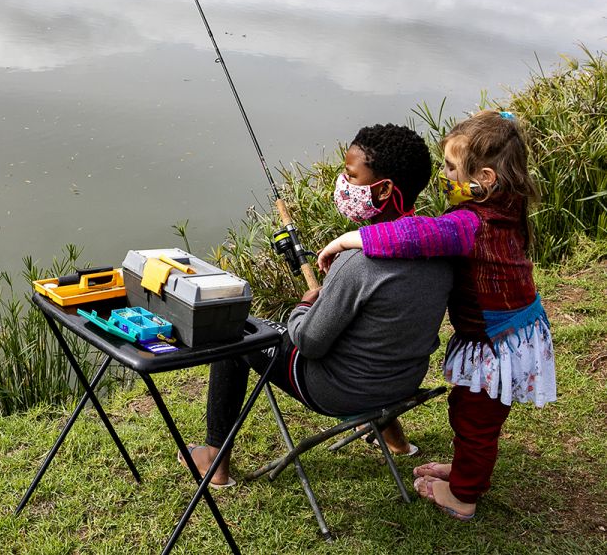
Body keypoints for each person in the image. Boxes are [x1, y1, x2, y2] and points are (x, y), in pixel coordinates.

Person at [317, 110, 557, 520]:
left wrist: (347, 239)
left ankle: (463, 495)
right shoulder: (506, 204)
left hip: (496, 339)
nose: (444, 176)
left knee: (476, 422)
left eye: (450, 167)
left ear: (484, 179)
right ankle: (468, 474)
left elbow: (413, 233)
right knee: (470, 412)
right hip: (508, 331)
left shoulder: (470, 223)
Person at [183, 124, 453, 487]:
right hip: (402, 383)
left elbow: (308, 342)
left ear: (385, 188)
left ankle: (214, 459)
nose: (342, 182)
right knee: (376, 340)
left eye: (351, 175)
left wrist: (303, 307)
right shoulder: (438, 247)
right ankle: (396, 440)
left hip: (337, 392)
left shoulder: (356, 262)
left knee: (238, 336)